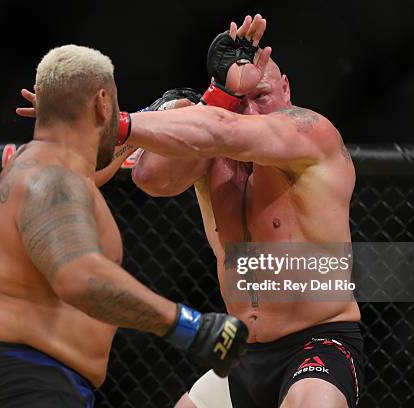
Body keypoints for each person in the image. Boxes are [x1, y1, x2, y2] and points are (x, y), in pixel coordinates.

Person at [0, 44, 248, 408]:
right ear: (104, 104)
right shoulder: (52, 178)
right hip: (20, 383)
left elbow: (99, 154)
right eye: (116, 107)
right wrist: (192, 327)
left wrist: (192, 105)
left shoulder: (50, 167)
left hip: (31, 381)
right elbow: (80, 277)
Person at [126, 15, 364, 408]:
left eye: (262, 96)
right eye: (242, 100)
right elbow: (151, 177)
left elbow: (227, 130)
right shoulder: (212, 145)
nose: (251, 112)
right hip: (241, 354)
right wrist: (218, 96)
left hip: (318, 341)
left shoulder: (310, 132)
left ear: (286, 89)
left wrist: (133, 123)